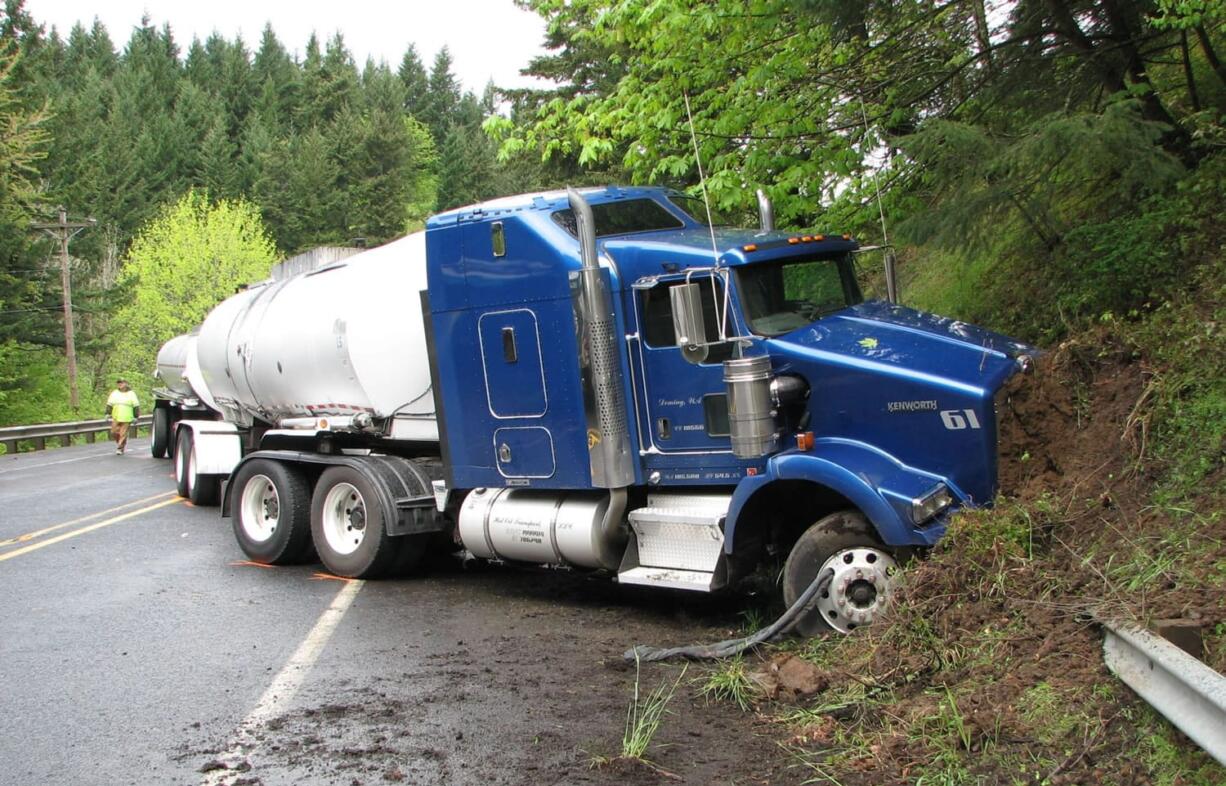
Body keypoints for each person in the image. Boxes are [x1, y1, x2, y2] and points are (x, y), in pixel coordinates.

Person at [106, 378, 140, 455]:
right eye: (118, 383)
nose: (120, 384)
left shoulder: (131, 394)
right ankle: (121, 443)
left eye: (121, 383)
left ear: (126, 384)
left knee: (123, 434)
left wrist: (136, 417)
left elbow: (136, 406)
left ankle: (120, 448)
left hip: (127, 417)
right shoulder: (114, 393)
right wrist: (107, 413)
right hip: (116, 416)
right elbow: (109, 404)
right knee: (113, 432)